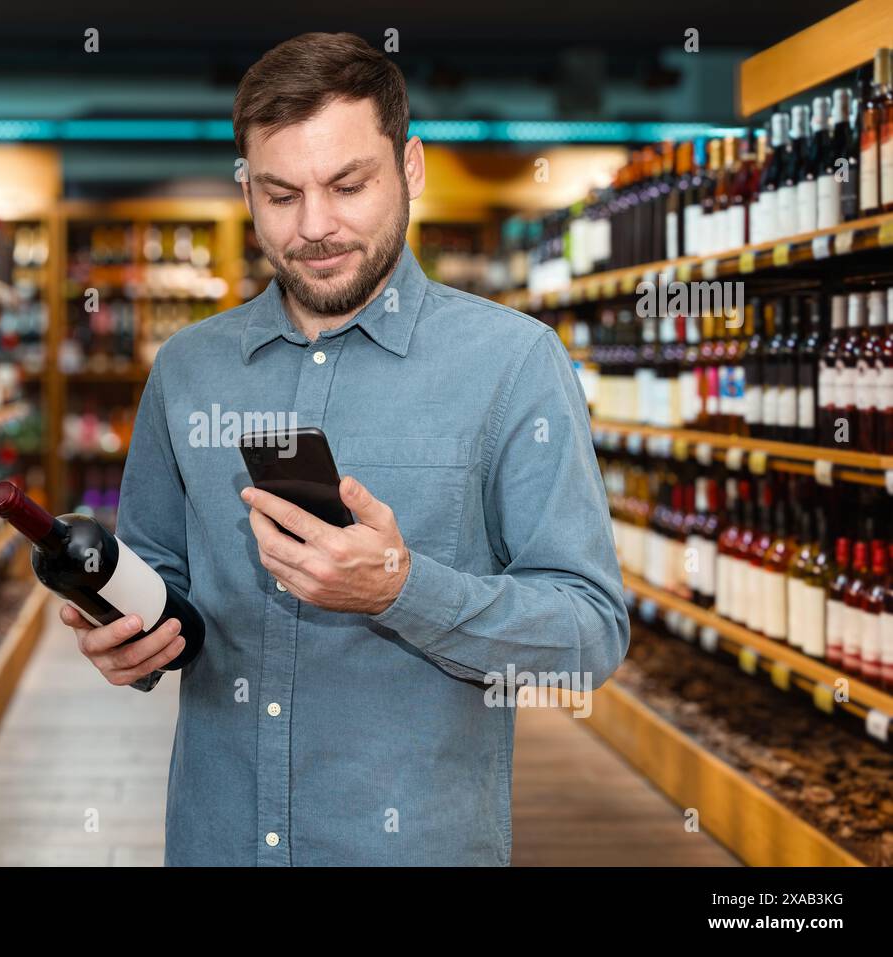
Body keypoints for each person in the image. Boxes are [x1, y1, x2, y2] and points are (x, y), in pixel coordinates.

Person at [60, 30, 629, 866]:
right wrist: (125, 634)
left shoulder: (513, 364)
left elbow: (587, 639)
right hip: (216, 841)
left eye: (347, 184)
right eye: (281, 193)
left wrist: (402, 588)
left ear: (413, 170)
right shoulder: (188, 369)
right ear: (246, 189)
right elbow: (163, 581)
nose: (314, 226)